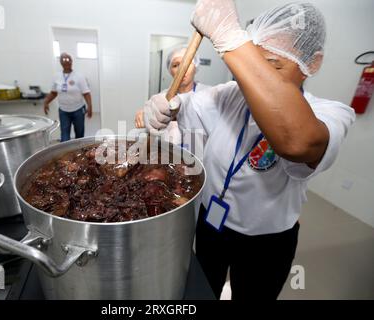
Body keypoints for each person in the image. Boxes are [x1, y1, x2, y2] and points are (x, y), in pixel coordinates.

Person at [143, 0, 355, 300]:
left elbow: (298, 141)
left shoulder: (330, 113)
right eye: (256, 63)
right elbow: (187, 103)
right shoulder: (230, 95)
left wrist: (230, 38)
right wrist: (166, 105)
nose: (257, 79)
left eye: (274, 65)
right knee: (200, 291)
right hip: (210, 224)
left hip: (266, 242)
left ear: (313, 63)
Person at [135, 45, 210, 146]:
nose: (182, 69)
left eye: (187, 63)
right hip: (169, 155)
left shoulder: (208, 94)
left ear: (195, 67)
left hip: (199, 156)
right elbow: (153, 123)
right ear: (170, 71)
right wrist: (146, 115)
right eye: (175, 65)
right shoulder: (163, 97)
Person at [44, 52, 93, 142]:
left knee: (79, 135)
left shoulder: (79, 76)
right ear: (60, 62)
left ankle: (79, 152)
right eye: (63, 59)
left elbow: (86, 93)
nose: (66, 61)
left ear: (71, 61)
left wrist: (90, 107)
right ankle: (66, 154)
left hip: (78, 110)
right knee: (64, 136)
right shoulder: (57, 76)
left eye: (68, 59)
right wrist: (46, 101)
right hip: (64, 111)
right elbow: (53, 92)